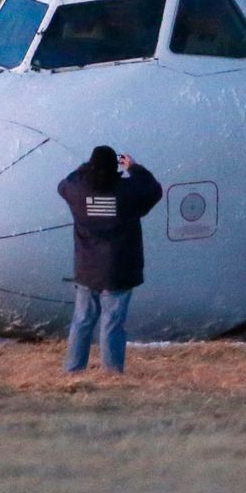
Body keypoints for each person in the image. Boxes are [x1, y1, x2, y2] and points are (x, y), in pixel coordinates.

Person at [57, 145, 162, 373]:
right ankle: (112, 372)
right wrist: (134, 167)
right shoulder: (128, 192)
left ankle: (73, 370)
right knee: (112, 323)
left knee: (82, 321)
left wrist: (87, 167)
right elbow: (154, 190)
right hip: (119, 269)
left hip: (87, 268)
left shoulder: (78, 191)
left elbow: (65, 183)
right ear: (115, 166)